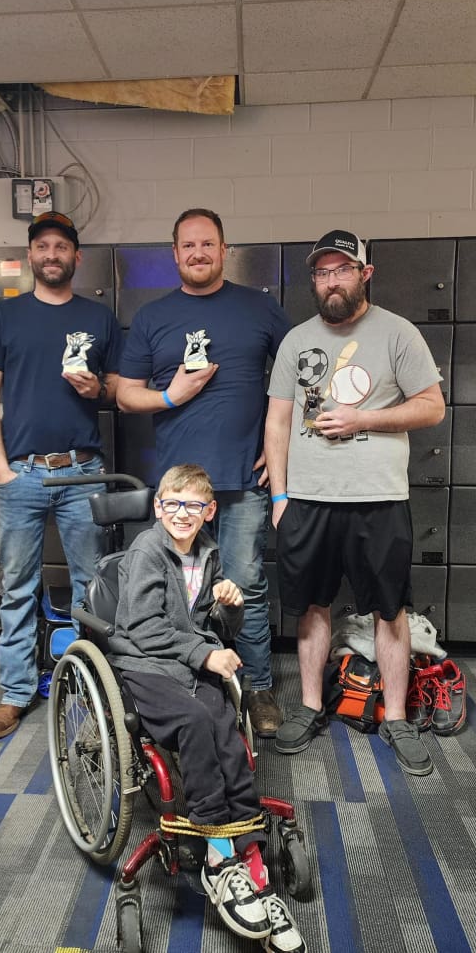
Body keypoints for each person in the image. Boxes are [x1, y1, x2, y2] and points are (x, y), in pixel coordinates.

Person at [264, 230, 445, 775]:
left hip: (378, 498)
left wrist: (363, 418)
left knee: (389, 609)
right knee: (312, 606)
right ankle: (312, 706)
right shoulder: (297, 340)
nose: (331, 280)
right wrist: (279, 495)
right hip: (309, 501)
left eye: (342, 269)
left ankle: (394, 717)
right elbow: (276, 420)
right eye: (322, 272)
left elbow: (431, 407)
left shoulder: (399, 333)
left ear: (365, 273)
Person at [108, 464, 306, 953]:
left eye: (194, 505)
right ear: (158, 507)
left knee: (228, 727)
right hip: (147, 667)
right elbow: (144, 627)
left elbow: (218, 629)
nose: (182, 513)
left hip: (190, 665)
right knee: (197, 722)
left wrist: (230, 605)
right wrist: (205, 655)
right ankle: (220, 856)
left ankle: (249, 854)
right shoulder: (147, 552)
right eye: (173, 504)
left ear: (209, 511)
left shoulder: (209, 553)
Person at [117, 208, 292, 739]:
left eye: (208, 244)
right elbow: (125, 394)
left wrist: (283, 448)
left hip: (242, 479)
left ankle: (258, 689)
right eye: (188, 245)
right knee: (179, 590)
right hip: (181, 490)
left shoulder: (260, 308)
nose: (198, 253)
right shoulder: (152, 316)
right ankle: (193, 678)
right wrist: (172, 394)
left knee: (245, 587)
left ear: (223, 250)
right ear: (175, 254)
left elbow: (300, 379)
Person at [0, 211, 122, 740]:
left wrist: (94, 390)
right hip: (24, 476)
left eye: (62, 246)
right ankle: (14, 694)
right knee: (18, 589)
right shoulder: (3, 319)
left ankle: (90, 684)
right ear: (31, 256)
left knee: (91, 586)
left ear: (77, 258)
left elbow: (116, 391)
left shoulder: (99, 318)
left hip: (82, 472)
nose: (52, 254)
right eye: (43, 246)